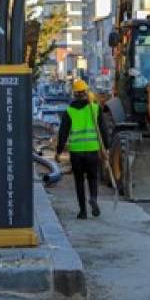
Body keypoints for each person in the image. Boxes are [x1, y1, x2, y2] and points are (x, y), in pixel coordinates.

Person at [55, 79, 107, 220]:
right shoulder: (95, 109)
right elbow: (103, 130)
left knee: (79, 181)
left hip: (76, 153)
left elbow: (63, 133)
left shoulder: (69, 112)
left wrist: (59, 151)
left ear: (74, 94)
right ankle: (94, 199)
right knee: (93, 177)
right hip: (92, 150)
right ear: (86, 92)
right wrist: (106, 148)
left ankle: (83, 211)